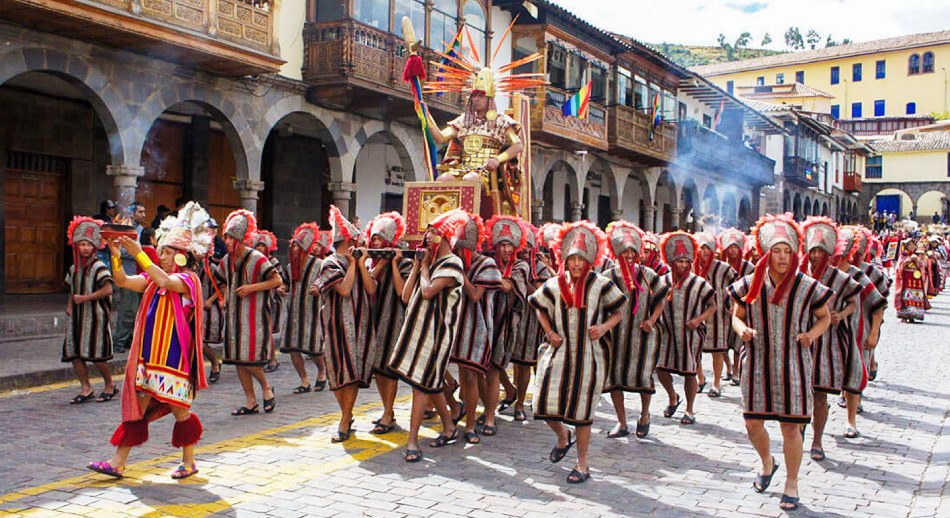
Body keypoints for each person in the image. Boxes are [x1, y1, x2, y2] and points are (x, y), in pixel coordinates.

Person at [87, 202, 213, 480]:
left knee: (181, 413)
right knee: (137, 411)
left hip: (174, 360)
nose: (163, 256)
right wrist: (118, 255)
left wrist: (141, 253)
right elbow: (122, 280)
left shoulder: (189, 280)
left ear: (182, 257)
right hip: (149, 359)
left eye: (168, 252)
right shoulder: (154, 278)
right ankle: (117, 462)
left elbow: (168, 282)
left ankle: (189, 462)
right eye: (163, 251)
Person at [729, 214, 832, 512]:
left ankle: (792, 482)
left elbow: (824, 316)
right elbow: (736, 314)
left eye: (787, 250)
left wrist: (811, 335)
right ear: (766, 252)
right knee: (752, 423)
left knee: (791, 428)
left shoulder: (807, 286)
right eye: (777, 250)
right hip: (757, 362)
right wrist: (741, 329)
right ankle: (766, 461)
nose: (783, 257)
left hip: (794, 365)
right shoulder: (749, 284)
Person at [529, 221, 626, 484]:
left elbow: (619, 310)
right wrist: (549, 331)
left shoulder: (600, 284)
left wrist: (604, 327)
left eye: (581, 259)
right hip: (557, 353)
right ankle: (563, 436)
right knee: (542, 405)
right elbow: (538, 305)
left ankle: (582, 464)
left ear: (590, 260)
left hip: (588, 357)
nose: (576, 264)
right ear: (564, 258)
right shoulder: (554, 283)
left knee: (583, 413)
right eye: (571, 258)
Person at [389, 209, 467, 463]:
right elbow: (405, 295)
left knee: (420, 386)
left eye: (433, 232)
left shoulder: (453, 263)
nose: (428, 236)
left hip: (436, 334)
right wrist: (415, 267)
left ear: (443, 237)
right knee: (428, 383)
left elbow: (428, 292)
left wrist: (423, 268)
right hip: (418, 332)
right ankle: (450, 424)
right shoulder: (430, 263)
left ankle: (412, 439)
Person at [799, 217, 861, 462]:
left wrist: (840, 314)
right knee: (799, 390)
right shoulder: (799, 274)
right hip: (801, 339)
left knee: (820, 394)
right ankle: (799, 430)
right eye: (812, 251)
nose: (815, 256)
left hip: (828, 342)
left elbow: (854, 302)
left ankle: (817, 440)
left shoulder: (840, 278)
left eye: (820, 251)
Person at [314, 205, 378, 442]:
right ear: (349, 241)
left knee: (351, 372)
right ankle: (345, 415)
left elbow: (371, 288)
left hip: (359, 325)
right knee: (338, 373)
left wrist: (360, 265)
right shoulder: (330, 263)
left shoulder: (361, 263)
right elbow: (343, 290)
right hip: (336, 326)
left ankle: (345, 418)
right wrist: (352, 264)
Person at [602, 221, 668, 439]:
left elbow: (661, 299)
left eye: (633, 251)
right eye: (624, 251)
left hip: (642, 335)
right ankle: (622, 422)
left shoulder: (648, 275)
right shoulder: (608, 276)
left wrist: (652, 319)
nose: (629, 255)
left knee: (643, 377)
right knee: (613, 379)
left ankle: (645, 415)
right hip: (614, 337)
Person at [216, 210, 283, 416]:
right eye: (225, 236)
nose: (227, 241)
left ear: (241, 238)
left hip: (254, 319)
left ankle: (266, 388)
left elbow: (277, 280)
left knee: (250, 360)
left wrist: (251, 288)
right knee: (238, 359)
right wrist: (224, 297)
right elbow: (223, 281)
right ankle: (250, 400)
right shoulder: (226, 261)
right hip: (233, 318)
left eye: (231, 237)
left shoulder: (257, 258)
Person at [446, 213, 501, 443]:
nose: (458, 253)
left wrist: (459, 271)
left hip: (478, 331)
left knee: (472, 377)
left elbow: (476, 295)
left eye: (461, 250)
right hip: (457, 329)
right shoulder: (455, 260)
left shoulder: (486, 264)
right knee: (462, 375)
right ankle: (463, 417)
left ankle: (471, 425)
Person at [655, 232, 716, 425]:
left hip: (691, 335)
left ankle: (689, 409)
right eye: (679, 261)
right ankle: (673, 396)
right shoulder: (662, 281)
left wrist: (699, 319)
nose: (682, 265)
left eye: (685, 261)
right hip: (666, 333)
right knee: (661, 368)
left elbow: (713, 305)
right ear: (671, 262)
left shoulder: (699, 283)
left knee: (690, 372)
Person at [481, 216, 530, 438]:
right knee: (479, 371)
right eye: (501, 244)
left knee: (493, 370)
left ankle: (491, 416)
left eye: (509, 244)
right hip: (483, 321)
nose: (505, 249)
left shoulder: (521, 265)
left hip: (505, 325)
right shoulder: (486, 262)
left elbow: (508, 286)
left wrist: (485, 274)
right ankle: (506, 393)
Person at [363, 213, 413, 434]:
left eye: (380, 239)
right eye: (373, 239)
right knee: (377, 370)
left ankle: (388, 412)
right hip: (374, 320)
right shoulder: (371, 261)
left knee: (389, 370)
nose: (375, 243)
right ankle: (387, 411)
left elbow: (404, 293)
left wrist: (393, 264)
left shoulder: (405, 262)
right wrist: (380, 264)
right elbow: (369, 283)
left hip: (394, 320)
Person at [835, 227, 885, 438]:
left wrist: (874, 332)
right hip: (833, 334)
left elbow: (878, 304)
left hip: (858, 332)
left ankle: (851, 420)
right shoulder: (828, 274)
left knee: (855, 373)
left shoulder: (866, 274)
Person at [63, 217, 117, 405]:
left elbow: (108, 289)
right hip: (77, 318)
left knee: (97, 355)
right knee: (75, 353)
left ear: (94, 247)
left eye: (88, 244)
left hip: (96, 317)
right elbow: (71, 289)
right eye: (82, 244)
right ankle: (86, 388)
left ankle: (110, 384)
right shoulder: (73, 269)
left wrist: (85, 298)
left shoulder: (99, 267)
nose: (85, 248)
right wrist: (70, 305)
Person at [503, 222, 553, 421]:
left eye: (527, 247)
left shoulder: (540, 268)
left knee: (524, 363)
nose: (524, 251)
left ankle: (521, 403)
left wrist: (526, 281)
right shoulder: (510, 264)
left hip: (530, 321)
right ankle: (509, 390)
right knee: (500, 362)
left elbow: (542, 295)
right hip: (509, 317)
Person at [280, 223, 328, 393]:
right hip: (293, 311)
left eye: (297, 246)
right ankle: (304, 380)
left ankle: (322, 372)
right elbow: (285, 283)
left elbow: (327, 283)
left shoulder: (321, 265)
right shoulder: (289, 266)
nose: (294, 249)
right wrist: (283, 288)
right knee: (293, 348)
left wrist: (319, 288)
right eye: (292, 245)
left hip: (313, 313)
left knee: (314, 348)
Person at [693, 232, 736, 398]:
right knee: (694, 349)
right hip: (696, 313)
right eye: (701, 248)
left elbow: (735, 286)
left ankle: (717, 383)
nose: (704, 252)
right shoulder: (692, 267)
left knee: (717, 350)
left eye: (708, 248)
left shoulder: (723, 269)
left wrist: (730, 305)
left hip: (718, 315)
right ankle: (701, 377)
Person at [719, 228, 753, 385]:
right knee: (722, 342)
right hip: (723, 309)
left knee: (738, 342)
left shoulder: (749, 268)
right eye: (729, 247)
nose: (732, 250)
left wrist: (739, 305)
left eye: (735, 247)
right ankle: (728, 366)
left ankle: (736, 372)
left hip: (742, 308)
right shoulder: (721, 267)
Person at [112, 201, 147, 353]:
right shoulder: (126, 229)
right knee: (128, 308)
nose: (143, 215)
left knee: (137, 309)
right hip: (127, 272)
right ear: (132, 214)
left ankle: (129, 339)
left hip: (142, 274)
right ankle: (119, 340)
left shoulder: (142, 230)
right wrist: (137, 252)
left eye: (144, 212)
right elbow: (120, 250)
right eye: (140, 212)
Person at [252, 231, 284, 374]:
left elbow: (281, 280)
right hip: (256, 299)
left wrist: (280, 289)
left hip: (270, 300)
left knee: (267, 330)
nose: (259, 248)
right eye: (258, 245)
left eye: (262, 245)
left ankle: (272, 359)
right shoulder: (253, 261)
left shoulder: (273, 262)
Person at [894, 239, 928, 322]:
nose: (912, 247)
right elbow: (899, 267)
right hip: (906, 279)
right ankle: (905, 315)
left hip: (916, 279)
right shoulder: (903, 255)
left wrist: (917, 261)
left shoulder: (917, 255)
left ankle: (914, 315)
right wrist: (907, 261)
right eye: (910, 245)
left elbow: (923, 266)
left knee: (916, 295)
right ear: (906, 246)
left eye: (913, 245)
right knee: (906, 295)